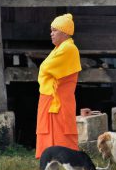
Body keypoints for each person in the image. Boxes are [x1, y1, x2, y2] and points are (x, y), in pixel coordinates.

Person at [35, 13, 82, 159]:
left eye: (54, 30)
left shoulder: (69, 48)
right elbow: (45, 69)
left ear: (65, 32)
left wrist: (46, 72)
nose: (51, 34)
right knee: (47, 137)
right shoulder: (58, 48)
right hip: (49, 100)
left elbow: (45, 67)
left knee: (64, 137)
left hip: (60, 101)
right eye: (51, 30)